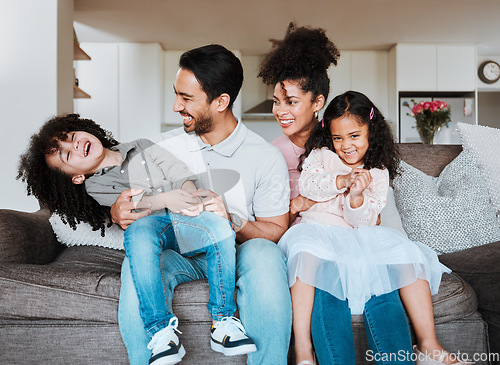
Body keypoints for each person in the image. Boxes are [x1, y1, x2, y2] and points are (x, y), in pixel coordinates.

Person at [259, 24, 467, 365]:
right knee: (316, 269)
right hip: (314, 235)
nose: (280, 109)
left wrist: (356, 195)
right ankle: (304, 352)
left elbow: (366, 217)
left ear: (317, 104)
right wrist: (330, 187)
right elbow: (302, 192)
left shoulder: (372, 169)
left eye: (291, 101)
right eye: (276, 101)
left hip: (357, 236)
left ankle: (427, 346)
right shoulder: (304, 154)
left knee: (395, 267)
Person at [17, 113, 258, 364]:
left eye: (71, 137)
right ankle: (161, 331)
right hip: (156, 227)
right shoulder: (94, 186)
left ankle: (223, 322)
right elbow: (130, 209)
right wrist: (165, 200)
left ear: (83, 130)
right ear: (75, 177)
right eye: (67, 155)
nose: (74, 145)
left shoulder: (141, 145)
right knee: (138, 232)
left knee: (220, 226)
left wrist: (190, 195)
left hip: (187, 216)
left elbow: (177, 171)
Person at [111, 44, 293, 364]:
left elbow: (276, 229)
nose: (175, 106)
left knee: (266, 253)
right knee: (135, 263)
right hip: (180, 254)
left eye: (186, 98)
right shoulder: (163, 147)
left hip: (237, 251)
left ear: (221, 101)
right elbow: (136, 204)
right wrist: (118, 211)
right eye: (176, 94)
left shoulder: (264, 156)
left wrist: (232, 219)